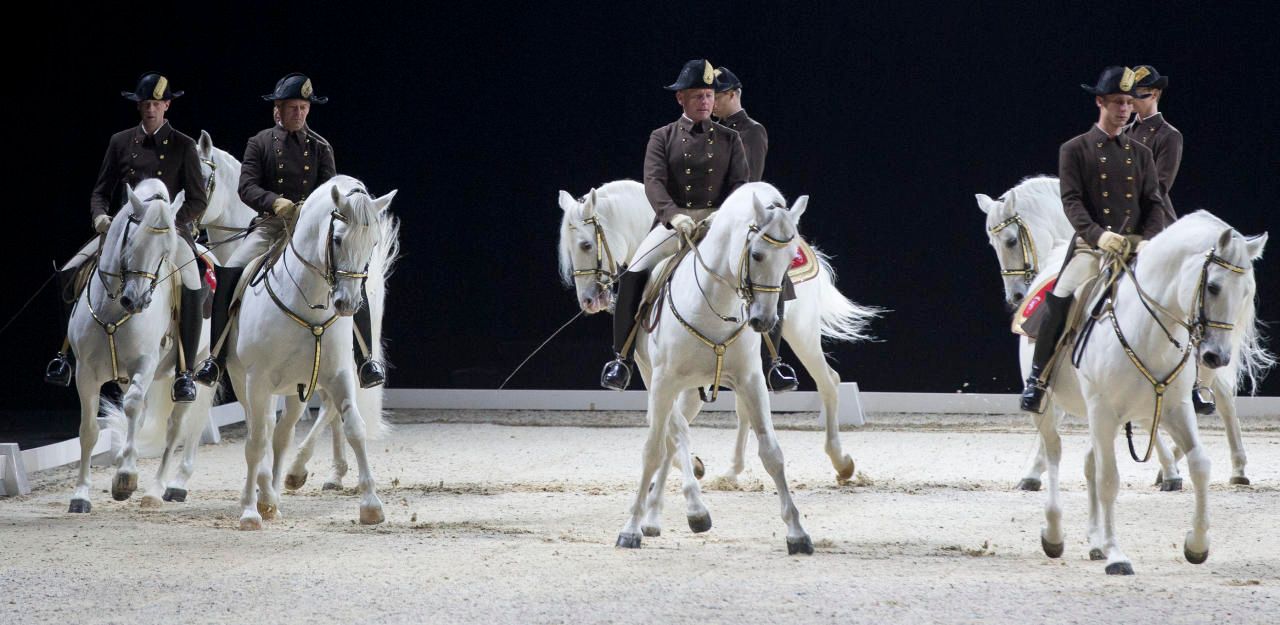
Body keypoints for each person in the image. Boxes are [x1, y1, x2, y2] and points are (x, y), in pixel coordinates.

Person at [193, 73, 385, 389]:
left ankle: (366, 361)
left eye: (303, 108)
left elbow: (331, 193)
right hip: (270, 227)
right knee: (230, 270)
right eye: (292, 107)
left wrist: (311, 212)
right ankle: (215, 359)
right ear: (277, 111)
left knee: (349, 273)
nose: (299, 113)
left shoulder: (322, 147)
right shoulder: (260, 143)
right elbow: (246, 187)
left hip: (310, 233)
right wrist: (275, 202)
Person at [45, 72, 209, 403]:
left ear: (167, 105)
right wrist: (100, 217)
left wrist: (165, 222)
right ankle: (65, 354)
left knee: (193, 281)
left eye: (156, 104)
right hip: (123, 232)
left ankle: (185, 371)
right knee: (68, 271)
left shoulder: (184, 145)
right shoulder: (120, 142)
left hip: (167, 233)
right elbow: (100, 191)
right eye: (145, 104)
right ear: (139, 107)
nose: (150, 109)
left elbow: (198, 199)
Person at [1020, 66, 1166, 413]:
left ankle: (1186, 383)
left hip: (1134, 249)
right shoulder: (1075, 149)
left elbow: (1154, 204)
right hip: (1092, 248)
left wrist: (1145, 240)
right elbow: (1071, 202)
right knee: (1061, 297)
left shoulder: (1141, 154)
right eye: (1117, 101)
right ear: (1100, 101)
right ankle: (1038, 378)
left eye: (1129, 102)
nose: (1124, 109)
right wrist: (1099, 238)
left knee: (1174, 298)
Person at [600, 59, 751, 391]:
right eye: (697, 95)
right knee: (634, 273)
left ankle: (772, 362)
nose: (705, 102)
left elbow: (741, 183)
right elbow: (653, 182)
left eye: (709, 96)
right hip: (674, 223)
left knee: (758, 270)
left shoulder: (730, 139)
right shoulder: (662, 137)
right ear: (680, 98)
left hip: (718, 225)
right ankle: (621, 359)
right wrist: (673, 215)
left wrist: (722, 215)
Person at [712, 66, 796, 391]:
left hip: (742, 217)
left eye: (717, 96)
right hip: (711, 217)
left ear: (733, 94)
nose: (712, 103)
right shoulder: (712, 131)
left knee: (773, 271)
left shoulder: (752, 131)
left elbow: (748, 182)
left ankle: (775, 363)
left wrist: (722, 212)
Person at [1125, 65, 1182, 229]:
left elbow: (1159, 186)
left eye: (1137, 93)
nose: (1131, 98)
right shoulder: (1122, 132)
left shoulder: (1169, 135)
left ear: (1154, 94)